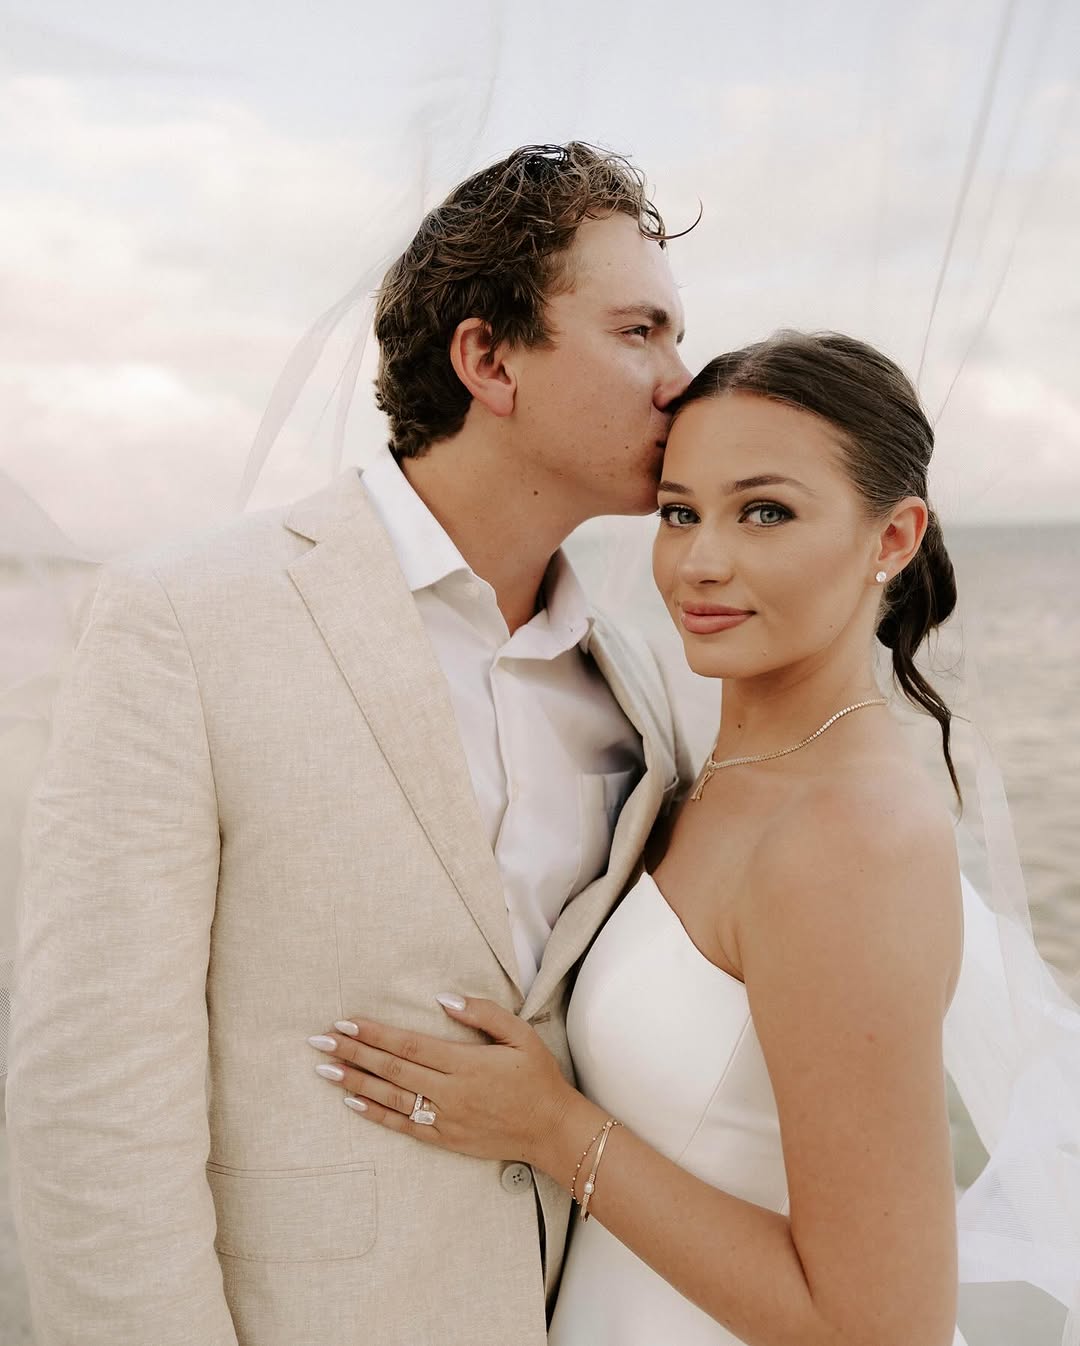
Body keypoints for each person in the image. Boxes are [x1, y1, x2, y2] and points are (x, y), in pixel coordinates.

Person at [5, 142, 693, 1346]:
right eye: (639, 332)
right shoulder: (186, 617)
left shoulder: (635, 677)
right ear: (489, 360)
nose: (681, 381)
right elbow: (92, 1094)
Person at [304, 331, 971, 1346]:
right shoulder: (704, 771)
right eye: (679, 512)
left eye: (765, 511)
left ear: (893, 537)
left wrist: (552, 1127)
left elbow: (883, 1326)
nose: (701, 562)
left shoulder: (852, 839)